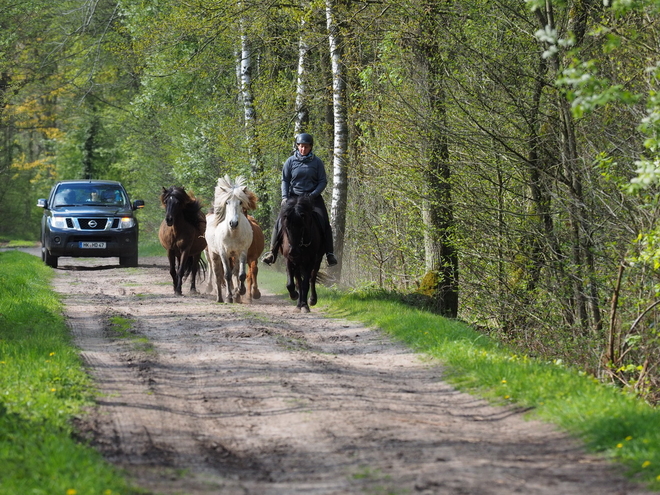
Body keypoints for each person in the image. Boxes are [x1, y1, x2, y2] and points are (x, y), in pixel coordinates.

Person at [262, 133, 338, 267]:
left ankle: (329, 254)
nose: (303, 149)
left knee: (324, 221)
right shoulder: (290, 161)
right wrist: (285, 197)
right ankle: (272, 252)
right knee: (280, 221)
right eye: (301, 147)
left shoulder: (317, 162)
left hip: (312, 199)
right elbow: (285, 180)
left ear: (311, 147)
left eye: (306, 147)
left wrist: (313, 194)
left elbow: (322, 181)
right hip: (294, 198)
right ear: (297, 146)